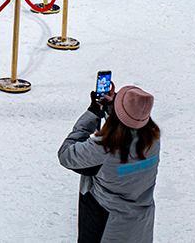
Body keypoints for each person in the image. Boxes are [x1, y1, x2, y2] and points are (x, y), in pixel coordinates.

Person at [58, 85, 160, 243]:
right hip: (140, 226)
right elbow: (131, 126)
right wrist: (114, 107)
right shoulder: (153, 140)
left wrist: (92, 114)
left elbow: (66, 155)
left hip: (105, 225)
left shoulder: (105, 147)